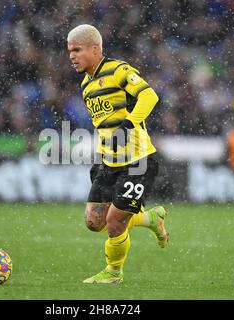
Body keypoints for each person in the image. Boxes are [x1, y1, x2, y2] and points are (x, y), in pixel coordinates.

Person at [67, 24, 169, 284]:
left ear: (95, 49)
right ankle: (150, 217)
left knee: (114, 222)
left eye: (77, 50)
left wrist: (128, 124)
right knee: (94, 221)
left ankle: (113, 272)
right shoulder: (86, 84)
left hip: (139, 161)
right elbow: (103, 126)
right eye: (70, 51)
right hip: (110, 162)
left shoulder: (118, 70)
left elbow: (149, 96)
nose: (72, 56)